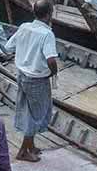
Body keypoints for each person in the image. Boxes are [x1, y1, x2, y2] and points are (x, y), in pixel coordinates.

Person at [4, 17, 60, 163]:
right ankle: (23, 150)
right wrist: (53, 72)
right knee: (36, 114)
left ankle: (31, 146)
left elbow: (8, 47)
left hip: (22, 75)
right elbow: (51, 60)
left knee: (29, 110)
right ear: (49, 15)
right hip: (37, 80)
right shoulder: (47, 34)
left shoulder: (24, 26)